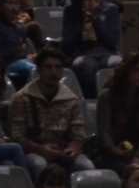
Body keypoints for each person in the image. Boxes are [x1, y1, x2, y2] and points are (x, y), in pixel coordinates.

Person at [8, 47, 94, 177]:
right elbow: (17, 137)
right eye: (48, 67)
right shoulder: (22, 98)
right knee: (39, 164)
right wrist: (41, 149)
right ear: (39, 70)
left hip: (62, 150)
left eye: (58, 67)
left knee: (86, 166)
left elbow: (78, 133)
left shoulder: (71, 99)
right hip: (34, 151)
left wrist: (73, 148)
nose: (53, 72)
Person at [93, 54, 139, 174]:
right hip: (111, 152)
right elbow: (104, 133)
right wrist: (115, 151)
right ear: (126, 70)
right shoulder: (107, 96)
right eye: (137, 70)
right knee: (127, 170)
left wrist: (137, 157)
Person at [60, 0, 122, 97]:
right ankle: (91, 103)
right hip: (82, 53)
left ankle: (113, 102)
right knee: (88, 67)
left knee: (117, 64)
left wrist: (96, 19)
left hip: (107, 52)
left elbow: (112, 42)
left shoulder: (111, 9)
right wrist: (80, 20)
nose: (87, 1)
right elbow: (67, 45)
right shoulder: (71, 11)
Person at [0, 0, 38, 87]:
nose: (14, 7)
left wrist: (32, 55)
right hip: (8, 65)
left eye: (16, 3)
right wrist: (15, 51)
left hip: (24, 61)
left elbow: (26, 47)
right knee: (34, 70)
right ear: (0, 6)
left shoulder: (19, 27)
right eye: (9, 3)